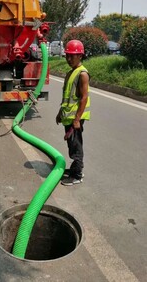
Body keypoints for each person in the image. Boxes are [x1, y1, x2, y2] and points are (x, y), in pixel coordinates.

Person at [56, 39, 90, 186]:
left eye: (73, 56)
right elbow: (67, 98)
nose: (69, 59)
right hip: (68, 117)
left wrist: (77, 119)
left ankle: (77, 174)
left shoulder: (82, 74)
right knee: (71, 145)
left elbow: (83, 98)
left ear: (80, 56)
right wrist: (60, 113)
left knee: (76, 146)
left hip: (75, 119)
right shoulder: (71, 73)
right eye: (67, 56)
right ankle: (74, 169)